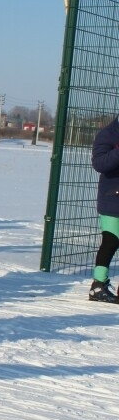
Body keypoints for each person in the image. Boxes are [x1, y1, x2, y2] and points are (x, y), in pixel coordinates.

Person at [89, 116, 119, 302]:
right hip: (112, 197)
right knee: (111, 240)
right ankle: (98, 285)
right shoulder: (108, 134)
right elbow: (99, 163)